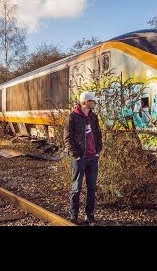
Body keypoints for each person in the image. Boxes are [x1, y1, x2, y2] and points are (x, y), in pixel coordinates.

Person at [64, 90, 103, 226]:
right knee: (76, 188)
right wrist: (77, 155)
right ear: (86, 102)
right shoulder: (72, 117)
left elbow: (98, 134)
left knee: (91, 188)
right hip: (80, 159)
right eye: (93, 101)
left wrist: (98, 151)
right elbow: (67, 139)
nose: (95, 103)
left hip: (93, 158)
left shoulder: (94, 117)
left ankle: (90, 216)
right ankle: (73, 216)